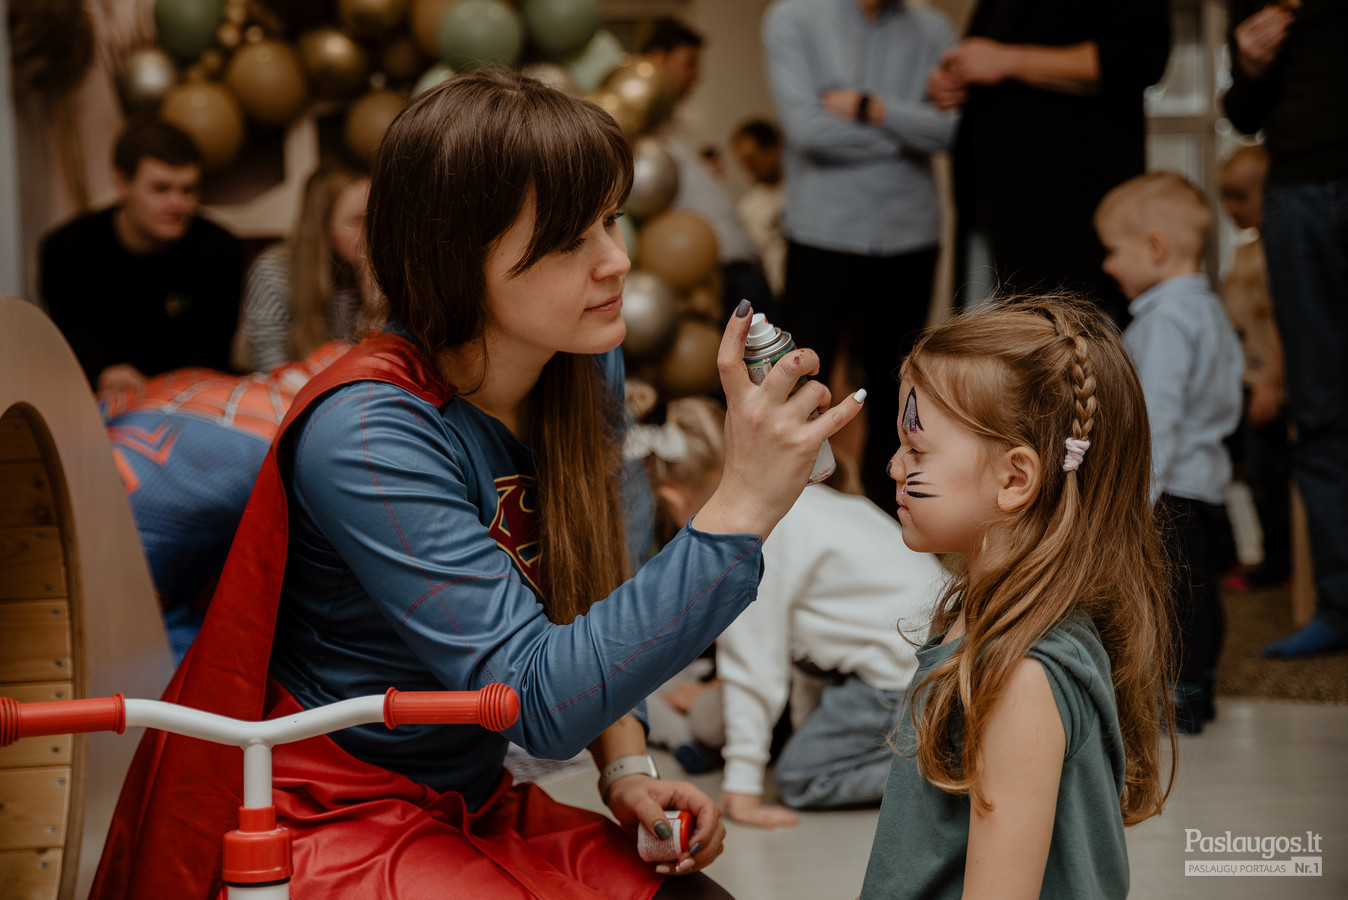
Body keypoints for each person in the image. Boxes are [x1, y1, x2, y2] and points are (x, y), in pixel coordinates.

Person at [90, 70, 864, 900]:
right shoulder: (368, 432)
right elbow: (535, 702)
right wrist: (741, 503)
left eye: (611, 220)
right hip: (323, 808)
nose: (617, 260)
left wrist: (626, 769)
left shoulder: (579, 364)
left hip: (467, 797)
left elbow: (588, 590)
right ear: (454, 256)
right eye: (569, 240)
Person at [860, 295, 1174, 899]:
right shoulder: (982, 619)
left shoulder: (1020, 675)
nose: (894, 466)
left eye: (916, 449)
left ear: (1014, 478)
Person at [637, 397, 944, 828]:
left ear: (671, 497)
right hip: (932, 658)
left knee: (801, 778)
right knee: (783, 742)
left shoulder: (750, 538)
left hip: (907, 677)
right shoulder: (798, 504)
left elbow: (755, 668)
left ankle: (951, 772)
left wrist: (741, 788)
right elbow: (805, 662)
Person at [763, 0, 959, 518]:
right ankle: (795, 520)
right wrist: (906, 135)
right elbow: (806, 130)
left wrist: (871, 108)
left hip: (911, 235)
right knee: (801, 384)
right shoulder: (793, 18)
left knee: (902, 389)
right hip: (821, 233)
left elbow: (951, 132)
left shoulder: (934, 29)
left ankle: (893, 523)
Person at [1094, 173, 1243, 733]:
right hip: (1204, 481)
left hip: (1170, 489)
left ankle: (1181, 694)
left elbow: (1155, 419)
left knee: (1175, 598)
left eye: (1114, 250)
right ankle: (1198, 688)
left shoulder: (1164, 323)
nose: (1107, 265)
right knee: (1197, 592)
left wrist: (1134, 498)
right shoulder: (1207, 310)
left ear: (1155, 248)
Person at [1223, 0, 1348, 658]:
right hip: (1296, 190)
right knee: (1318, 409)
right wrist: (1248, 63)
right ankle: (1339, 604)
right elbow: (1243, 112)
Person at [927, 0, 1171, 326]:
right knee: (983, 344)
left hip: (1067, 213)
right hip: (989, 205)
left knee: (1064, 340)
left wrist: (1008, 60)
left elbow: (1138, 56)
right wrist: (956, 82)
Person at [39, 118, 243, 398]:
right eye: (161, 189)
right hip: (92, 398)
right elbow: (74, 350)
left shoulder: (220, 249)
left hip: (191, 399)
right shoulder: (67, 250)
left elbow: (210, 354)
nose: (177, 204)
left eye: (188, 190)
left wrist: (147, 386)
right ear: (121, 184)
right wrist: (107, 379)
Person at [643, 17, 776, 320]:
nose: (697, 77)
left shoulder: (671, 132)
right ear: (658, 58)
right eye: (689, 64)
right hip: (723, 274)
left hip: (743, 271)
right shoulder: (642, 137)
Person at [1217, 144, 1291, 590]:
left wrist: (1272, 383)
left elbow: (1286, 323)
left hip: (1270, 383)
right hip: (1244, 379)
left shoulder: (1283, 253)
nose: (1231, 208)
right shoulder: (1245, 251)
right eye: (1225, 197)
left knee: (1269, 477)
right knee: (1249, 472)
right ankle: (1250, 554)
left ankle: (1279, 563)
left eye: (1241, 196)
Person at [239, 162, 371, 372]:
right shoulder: (274, 270)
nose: (371, 233)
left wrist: (374, 295)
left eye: (374, 219)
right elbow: (271, 365)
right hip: (295, 385)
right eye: (358, 221)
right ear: (323, 227)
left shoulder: (370, 270)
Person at [729, 119, 787, 301]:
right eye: (743, 163)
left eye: (752, 159)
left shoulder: (805, 193)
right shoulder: (746, 208)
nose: (749, 168)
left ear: (774, 150)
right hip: (776, 300)